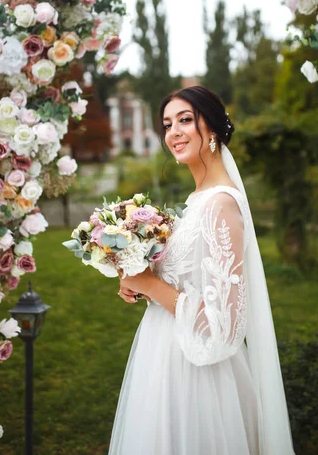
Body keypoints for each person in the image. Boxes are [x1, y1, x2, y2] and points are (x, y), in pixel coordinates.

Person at [108, 86, 295, 455]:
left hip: (197, 376)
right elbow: (190, 280)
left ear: (212, 128)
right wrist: (139, 279)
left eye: (185, 120)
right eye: (167, 124)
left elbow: (222, 327)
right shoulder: (197, 201)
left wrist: (148, 282)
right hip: (160, 357)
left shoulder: (221, 204)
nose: (173, 132)